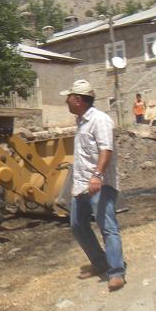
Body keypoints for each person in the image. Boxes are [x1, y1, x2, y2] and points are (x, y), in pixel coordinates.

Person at [60, 79, 126, 291]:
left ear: (78, 99)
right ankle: (100, 262)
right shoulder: (81, 122)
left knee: (107, 226)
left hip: (100, 184)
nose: (66, 101)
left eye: (69, 97)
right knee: (77, 224)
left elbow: (106, 150)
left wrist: (97, 175)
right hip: (82, 185)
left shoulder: (100, 120)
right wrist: (76, 184)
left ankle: (116, 272)